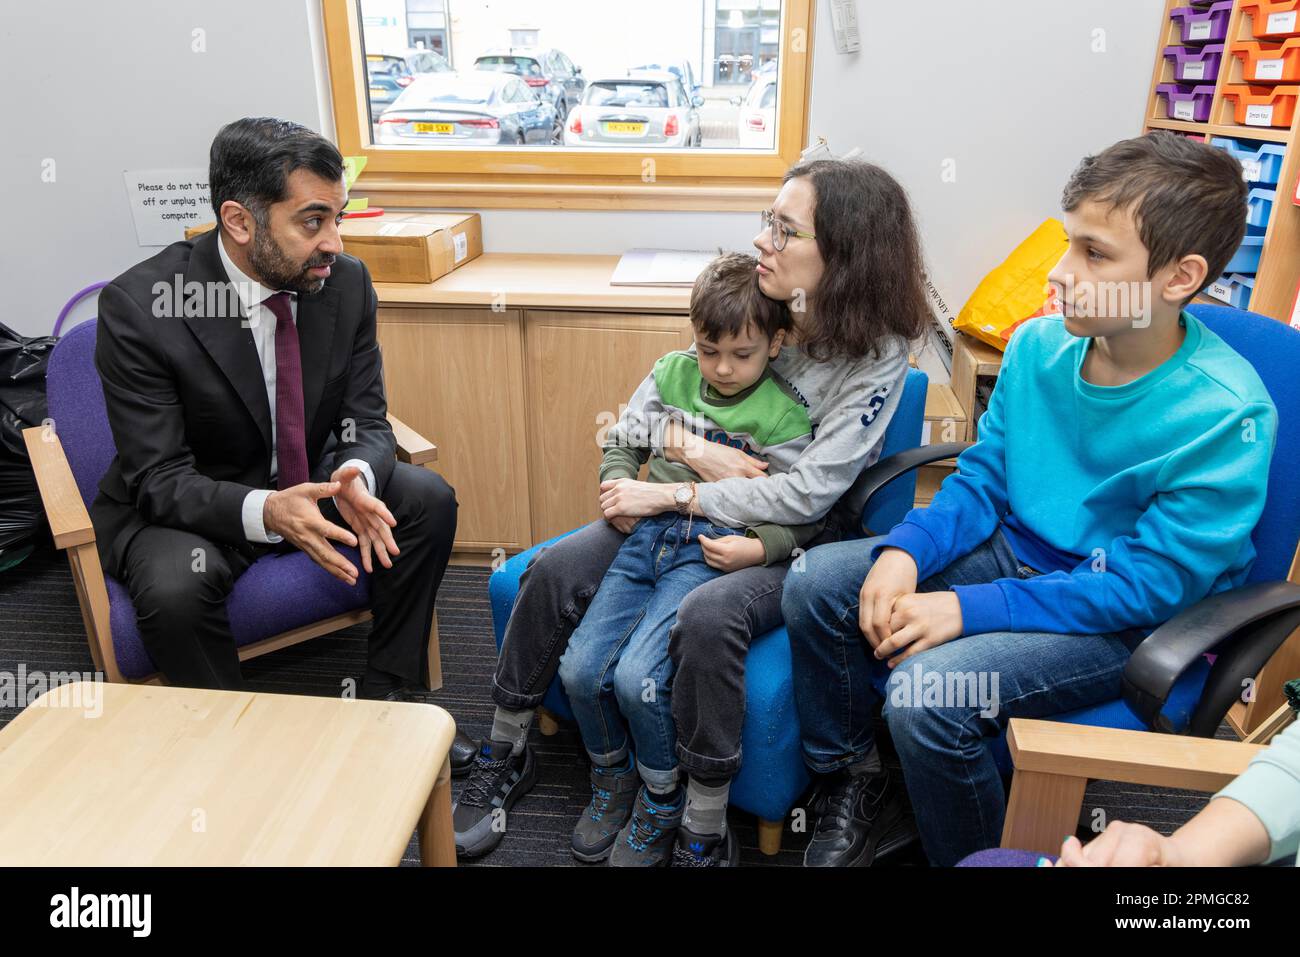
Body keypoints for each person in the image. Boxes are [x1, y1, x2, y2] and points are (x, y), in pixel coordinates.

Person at [782, 130, 1278, 867]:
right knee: (819, 582)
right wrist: (904, 552)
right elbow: (983, 479)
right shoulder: (1039, 347)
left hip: (1131, 623)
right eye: (1069, 241)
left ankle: (981, 854)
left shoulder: (1225, 413)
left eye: (1095, 254)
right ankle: (857, 778)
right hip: (1016, 555)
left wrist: (965, 610)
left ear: (1180, 277)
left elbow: (1142, 586)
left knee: (927, 695)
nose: (1061, 272)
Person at [455, 157, 930, 863]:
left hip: (784, 534)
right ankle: (507, 745)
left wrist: (681, 487)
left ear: (844, 254)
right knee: (554, 570)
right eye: (769, 222)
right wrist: (687, 446)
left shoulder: (875, 354)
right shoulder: (761, 298)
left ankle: (696, 814)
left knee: (702, 616)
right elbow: (677, 394)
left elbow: (805, 493)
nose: (766, 240)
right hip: (675, 509)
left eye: (786, 229)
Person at [92, 118, 467, 733]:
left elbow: (365, 416)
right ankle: (236, 747)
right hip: (200, 499)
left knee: (426, 499)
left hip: (313, 477)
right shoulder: (144, 306)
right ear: (240, 222)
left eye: (339, 218)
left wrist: (353, 472)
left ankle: (388, 702)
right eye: (313, 221)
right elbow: (158, 478)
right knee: (173, 589)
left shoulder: (345, 283)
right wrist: (267, 509)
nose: (335, 244)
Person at [555, 252, 826, 866]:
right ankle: (612, 777)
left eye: (742, 354)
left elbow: (800, 512)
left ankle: (660, 795)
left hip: (705, 551)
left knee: (636, 680)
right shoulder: (673, 375)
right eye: (709, 351)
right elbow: (625, 436)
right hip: (646, 534)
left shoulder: (785, 416)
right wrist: (616, 482)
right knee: (579, 671)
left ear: (777, 344)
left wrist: (764, 545)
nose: (723, 369)